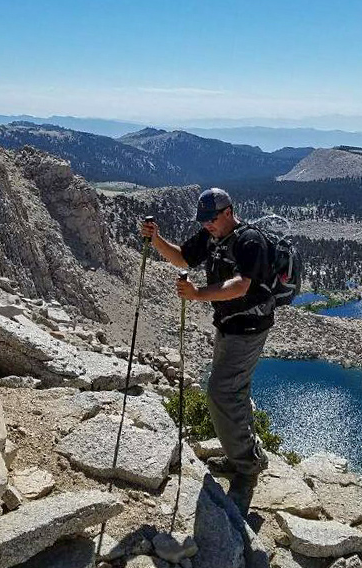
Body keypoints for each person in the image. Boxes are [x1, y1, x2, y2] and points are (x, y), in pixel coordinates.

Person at [140, 187, 273, 507]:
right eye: (202, 220)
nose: (206, 225)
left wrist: (198, 294)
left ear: (229, 212)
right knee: (233, 391)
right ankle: (243, 455)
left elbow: (242, 285)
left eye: (211, 219)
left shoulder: (249, 241)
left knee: (221, 391)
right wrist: (156, 238)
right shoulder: (211, 235)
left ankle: (246, 469)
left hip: (248, 327)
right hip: (227, 326)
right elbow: (183, 257)